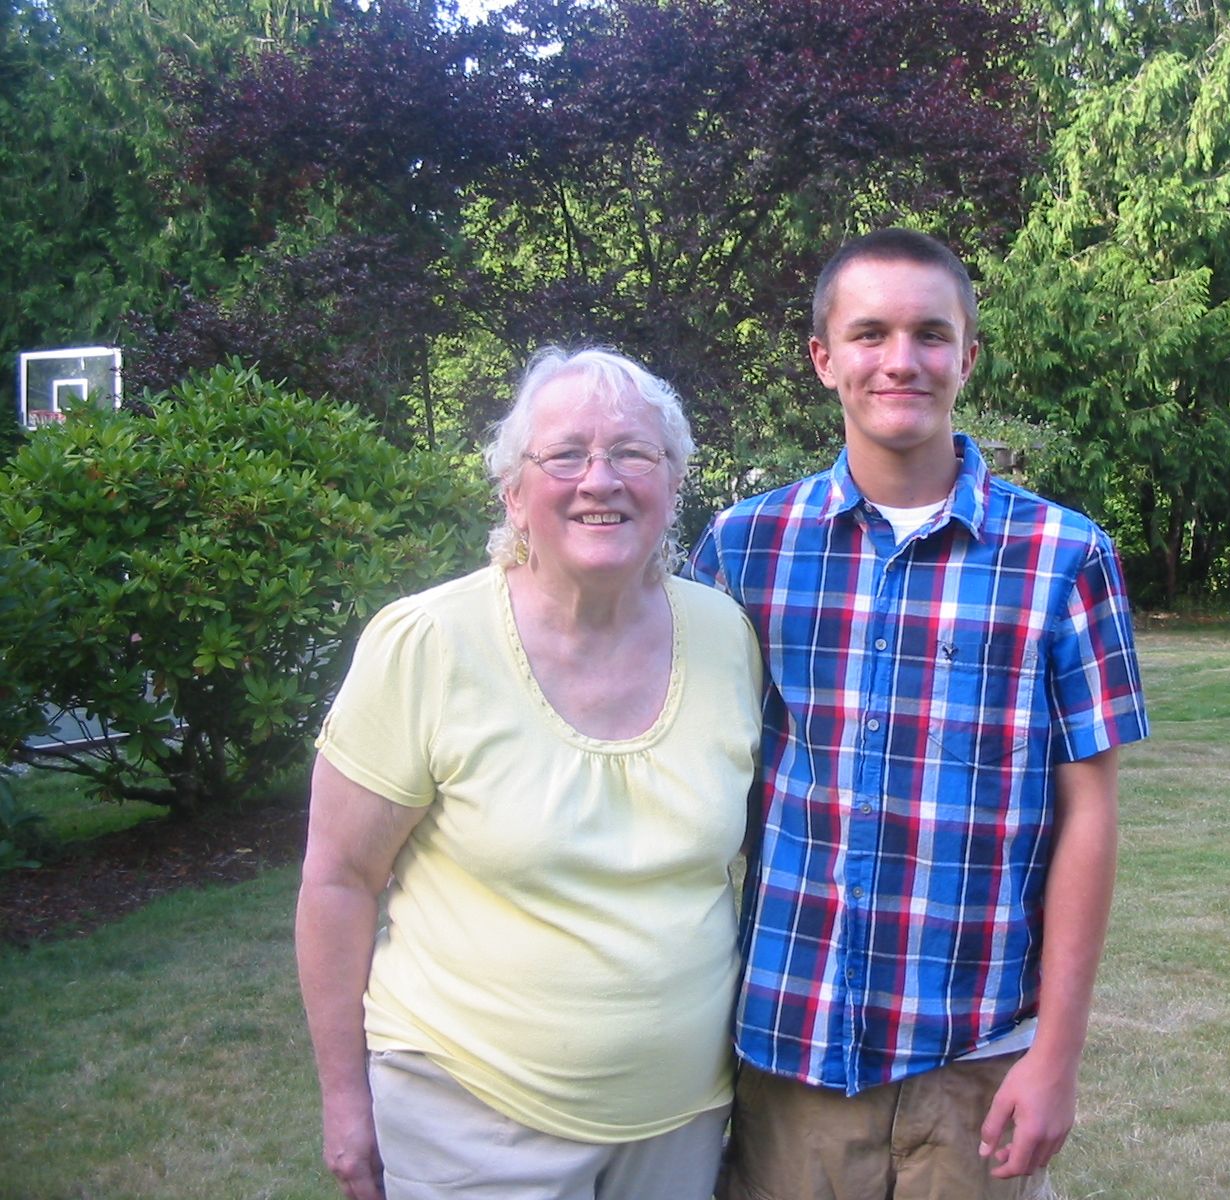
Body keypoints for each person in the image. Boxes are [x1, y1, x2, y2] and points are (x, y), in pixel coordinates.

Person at [687, 229, 1150, 1200]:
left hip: (974, 1058)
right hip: (790, 1055)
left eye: (931, 334)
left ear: (968, 355)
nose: (901, 360)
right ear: (823, 358)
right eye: (869, 334)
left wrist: (1056, 1056)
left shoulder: (1064, 559)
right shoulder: (745, 549)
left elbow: (1089, 821)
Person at [296, 347, 763, 1200]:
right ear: (513, 490)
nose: (601, 479)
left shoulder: (727, 635)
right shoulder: (429, 643)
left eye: (632, 453)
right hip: (468, 1119)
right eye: (565, 455)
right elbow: (338, 880)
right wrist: (342, 1102)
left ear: (672, 482)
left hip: (681, 1122)